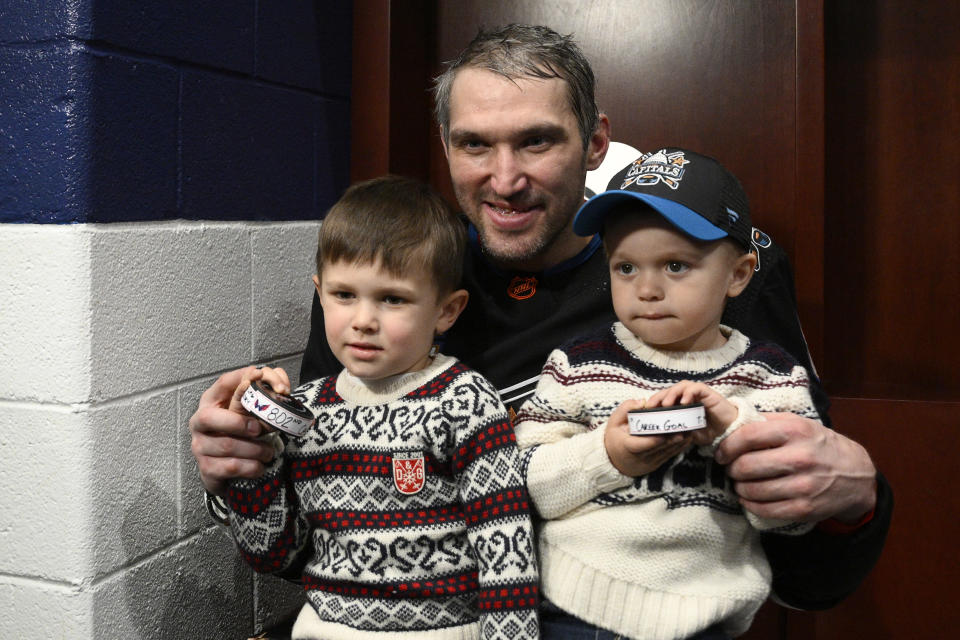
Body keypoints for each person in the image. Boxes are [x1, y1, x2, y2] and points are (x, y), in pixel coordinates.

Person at [190, 23, 890, 626]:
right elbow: (325, 540)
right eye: (474, 146)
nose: (504, 178)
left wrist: (857, 496)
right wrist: (240, 474)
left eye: (536, 142)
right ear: (443, 144)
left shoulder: (715, 272)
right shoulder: (386, 288)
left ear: (594, 143)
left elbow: (811, 577)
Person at [513, 147, 823, 639]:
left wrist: (734, 431)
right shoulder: (575, 365)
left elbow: (795, 520)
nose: (648, 289)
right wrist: (607, 454)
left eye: (676, 266)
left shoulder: (773, 379)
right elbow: (522, 487)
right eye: (626, 268)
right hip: (574, 608)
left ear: (738, 275)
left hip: (704, 617)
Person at [222, 176, 540, 639]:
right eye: (344, 295)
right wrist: (259, 458)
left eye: (392, 299)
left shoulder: (464, 402)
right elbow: (271, 555)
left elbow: (506, 556)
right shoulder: (306, 411)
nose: (363, 321)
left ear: (447, 311)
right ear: (320, 291)